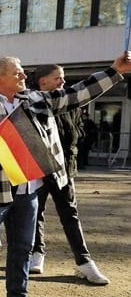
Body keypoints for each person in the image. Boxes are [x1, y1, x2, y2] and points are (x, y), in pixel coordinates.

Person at [0, 53, 131, 297]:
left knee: (23, 247)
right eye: (18, 72)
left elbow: (75, 94)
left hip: (29, 190)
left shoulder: (35, 100)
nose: (25, 76)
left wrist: (115, 70)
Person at [26, 65, 108, 285]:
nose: (63, 82)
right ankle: (36, 254)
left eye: (63, 79)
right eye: (58, 78)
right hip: (38, 168)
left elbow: (75, 131)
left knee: (70, 214)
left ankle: (84, 261)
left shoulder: (68, 103)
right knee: (36, 213)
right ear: (43, 81)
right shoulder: (32, 102)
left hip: (64, 168)